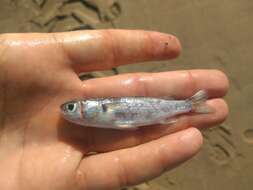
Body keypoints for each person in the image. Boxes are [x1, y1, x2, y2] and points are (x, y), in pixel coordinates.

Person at [0, 29, 229, 190]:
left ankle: (190, 105)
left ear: (84, 107)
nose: (68, 112)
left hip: (159, 111)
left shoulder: (92, 113)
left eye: (70, 108)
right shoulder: (88, 117)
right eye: (70, 108)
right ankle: (191, 105)